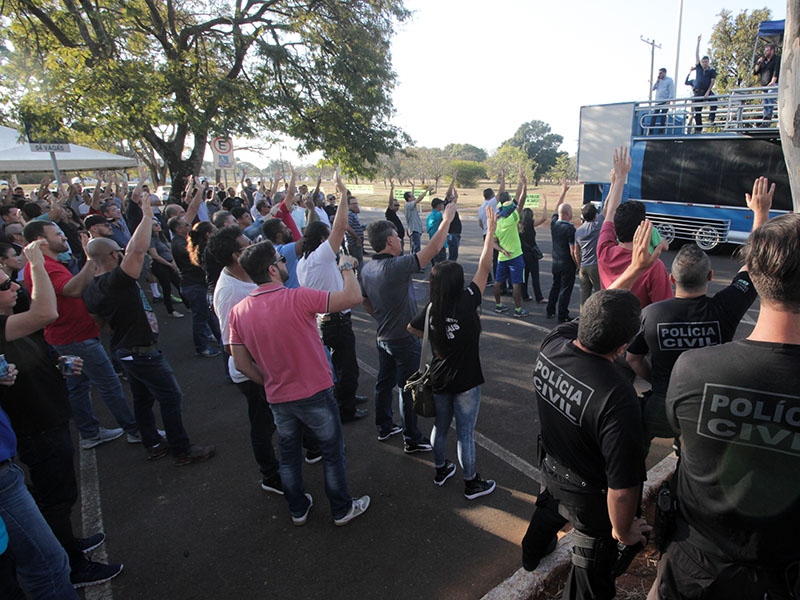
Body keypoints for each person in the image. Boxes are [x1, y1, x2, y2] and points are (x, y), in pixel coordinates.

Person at [649, 180, 799, 600]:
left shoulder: (693, 369)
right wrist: (761, 217)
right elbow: (745, 280)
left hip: (697, 573)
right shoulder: (723, 308)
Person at [0, 240, 123, 589]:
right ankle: (73, 565)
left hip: (48, 419)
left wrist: (57, 363)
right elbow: (47, 313)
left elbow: (35, 346)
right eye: (5, 285)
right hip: (35, 428)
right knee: (54, 498)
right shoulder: (5, 325)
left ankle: (69, 544)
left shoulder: (13, 322)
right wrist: (36, 263)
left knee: (61, 494)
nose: (14, 286)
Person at [228, 240, 370, 527]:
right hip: (315, 391)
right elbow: (352, 297)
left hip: (279, 397)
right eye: (280, 260)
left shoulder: (239, 311)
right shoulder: (298, 298)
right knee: (332, 452)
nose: (284, 263)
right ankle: (341, 508)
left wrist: (267, 381)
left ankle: (298, 508)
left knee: (289, 455)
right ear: (272, 269)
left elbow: (241, 363)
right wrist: (345, 265)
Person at [521, 289, 650, 598]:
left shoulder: (553, 344)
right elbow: (622, 489)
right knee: (591, 580)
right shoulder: (618, 397)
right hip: (589, 499)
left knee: (548, 512)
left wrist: (632, 269)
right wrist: (624, 531)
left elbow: (592, 316)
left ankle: (531, 554)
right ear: (622, 347)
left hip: (552, 471)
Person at [83, 181, 216, 466]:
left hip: (124, 349)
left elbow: (100, 319)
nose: (123, 253)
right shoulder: (116, 280)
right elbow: (138, 251)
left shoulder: (93, 286)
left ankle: (152, 442)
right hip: (141, 351)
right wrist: (145, 216)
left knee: (143, 399)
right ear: (113, 256)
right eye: (119, 250)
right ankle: (181, 449)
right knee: (170, 397)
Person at [21, 220, 141, 449]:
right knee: (109, 384)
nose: (65, 238)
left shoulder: (47, 264)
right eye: (58, 234)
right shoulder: (45, 266)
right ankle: (135, 430)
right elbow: (73, 289)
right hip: (75, 338)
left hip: (69, 336)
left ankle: (89, 433)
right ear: (41, 241)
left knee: (78, 387)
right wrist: (89, 259)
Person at [408, 205, 497, 500]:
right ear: (459, 282)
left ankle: (440, 468)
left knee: (441, 427)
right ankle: (472, 483)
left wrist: (435, 336)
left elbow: (412, 329)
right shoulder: (469, 299)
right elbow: (484, 266)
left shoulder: (433, 307)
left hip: (440, 379)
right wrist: (491, 231)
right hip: (467, 380)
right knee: (466, 434)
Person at [361, 198, 456, 450]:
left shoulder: (367, 267)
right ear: (389, 241)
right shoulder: (396, 266)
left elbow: (364, 301)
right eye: (397, 236)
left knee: (384, 382)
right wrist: (447, 219)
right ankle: (411, 438)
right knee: (408, 388)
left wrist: (380, 318)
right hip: (403, 340)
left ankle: (384, 426)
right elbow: (433, 249)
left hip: (384, 337)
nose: (401, 239)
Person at [208, 226, 283, 494]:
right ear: (236, 255)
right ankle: (271, 476)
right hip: (253, 373)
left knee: (278, 418)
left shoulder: (247, 274)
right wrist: (264, 378)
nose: (253, 244)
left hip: (269, 367)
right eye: (247, 243)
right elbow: (231, 346)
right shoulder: (228, 292)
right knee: (263, 425)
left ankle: (310, 447)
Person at [297, 173, 368, 423]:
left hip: (325, 320)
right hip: (335, 320)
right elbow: (339, 226)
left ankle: (346, 398)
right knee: (347, 368)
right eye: (327, 236)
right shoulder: (320, 256)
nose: (333, 239)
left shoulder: (306, 261)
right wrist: (343, 194)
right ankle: (346, 409)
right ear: (321, 239)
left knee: (340, 365)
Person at [598, 147, 673, 308]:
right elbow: (663, 310)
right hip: (637, 331)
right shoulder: (653, 266)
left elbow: (610, 212)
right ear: (643, 227)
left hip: (607, 326)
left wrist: (619, 178)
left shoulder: (604, 251)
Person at [170, 216, 220, 357]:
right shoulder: (187, 246)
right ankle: (202, 347)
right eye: (186, 224)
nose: (189, 226)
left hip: (196, 285)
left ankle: (219, 338)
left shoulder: (191, 244)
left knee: (209, 315)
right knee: (201, 317)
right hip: (194, 286)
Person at [493, 168, 530, 318]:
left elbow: (493, 243)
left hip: (502, 258)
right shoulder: (513, 218)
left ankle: (499, 305)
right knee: (516, 284)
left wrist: (501, 250)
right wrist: (524, 185)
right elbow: (521, 201)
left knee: (498, 282)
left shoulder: (497, 222)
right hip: (515, 256)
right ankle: (518, 309)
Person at [547, 179, 578, 322]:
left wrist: (563, 191)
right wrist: (578, 264)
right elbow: (573, 250)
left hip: (555, 262)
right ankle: (562, 315)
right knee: (565, 290)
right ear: (567, 213)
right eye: (571, 211)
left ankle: (550, 310)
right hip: (567, 264)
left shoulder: (554, 224)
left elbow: (556, 207)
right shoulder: (570, 228)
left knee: (555, 286)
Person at [147, 218, 183, 318]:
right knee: (166, 287)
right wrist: (169, 264)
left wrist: (173, 262)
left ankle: (188, 305)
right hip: (160, 266)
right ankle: (170, 311)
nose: (158, 225)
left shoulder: (161, 236)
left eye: (158, 223)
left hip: (170, 263)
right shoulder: (150, 240)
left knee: (179, 283)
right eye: (155, 225)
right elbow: (154, 255)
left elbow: (169, 249)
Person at [574, 202, 604, 309]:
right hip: (595, 266)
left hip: (584, 266)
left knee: (584, 298)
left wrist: (579, 266)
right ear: (595, 215)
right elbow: (608, 206)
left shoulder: (578, 231)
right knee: (601, 296)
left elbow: (576, 253)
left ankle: (583, 320)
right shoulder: (597, 224)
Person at [688, 35, 717, 134]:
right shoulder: (699, 68)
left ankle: (711, 119)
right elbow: (696, 55)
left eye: (706, 62)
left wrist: (708, 92)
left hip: (706, 90)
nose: (704, 63)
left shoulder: (711, 71)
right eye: (703, 62)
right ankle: (698, 128)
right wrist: (698, 42)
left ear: (708, 62)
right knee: (697, 111)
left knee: (714, 99)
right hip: (698, 92)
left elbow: (712, 81)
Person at [518, 205, 547, 303]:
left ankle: (524, 295)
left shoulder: (518, 225)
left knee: (524, 276)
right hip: (531, 254)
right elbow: (544, 218)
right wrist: (545, 205)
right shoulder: (531, 224)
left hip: (522, 253)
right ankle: (539, 297)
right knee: (535, 277)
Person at [753, 42, 780, 124]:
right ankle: (765, 122)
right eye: (765, 50)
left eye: (767, 50)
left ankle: (769, 115)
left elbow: (776, 70)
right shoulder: (763, 60)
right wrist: (758, 63)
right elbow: (755, 72)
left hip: (773, 84)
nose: (766, 52)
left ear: (772, 51)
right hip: (764, 85)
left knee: (770, 94)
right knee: (765, 103)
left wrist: (773, 81)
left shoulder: (776, 59)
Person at [477, 187, 498, 284]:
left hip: (485, 234)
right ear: (492, 195)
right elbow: (501, 191)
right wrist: (502, 178)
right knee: (496, 257)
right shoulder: (491, 204)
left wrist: (486, 229)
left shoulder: (480, 208)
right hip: (493, 233)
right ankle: (498, 279)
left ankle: (488, 278)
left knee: (487, 256)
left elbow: (480, 223)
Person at [403, 186, 430, 256]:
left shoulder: (410, 205)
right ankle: (415, 265)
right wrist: (427, 191)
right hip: (414, 230)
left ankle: (412, 264)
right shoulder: (408, 205)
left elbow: (417, 199)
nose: (414, 197)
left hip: (416, 230)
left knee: (414, 249)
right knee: (416, 250)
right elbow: (419, 199)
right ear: (409, 198)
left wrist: (412, 186)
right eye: (412, 196)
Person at [651, 68, 674, 134]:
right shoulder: (659, 81)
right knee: (654, 116)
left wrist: (669, 100)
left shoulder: (669, 80)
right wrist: (657, 81)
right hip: (657, 101)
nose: (659, 74)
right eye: (659, 73)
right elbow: (653, 88)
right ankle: (651, 131)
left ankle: (660, 132)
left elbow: (671, 90)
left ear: (664, 73)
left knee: (663, 116)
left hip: (665, 101)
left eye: (661, 73)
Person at [344, 195, 364, 271]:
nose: (356, 205)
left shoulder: (353, 214)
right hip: (354, 243)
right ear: (348, 205)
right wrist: (357, 237)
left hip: (357, 243)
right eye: (353, 204)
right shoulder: (349, 214)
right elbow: (347, 226)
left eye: (356, 203)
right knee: (358, 264)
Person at [426, 198, 447, 265]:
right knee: (441, 266)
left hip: (433, 243)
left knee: (435, 266)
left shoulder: (429, 216)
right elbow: (448, 217)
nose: (443, 206)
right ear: (438, 205)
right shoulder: (439, 215)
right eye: (442, 204)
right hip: (439, 244)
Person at [385, 183, 405, 251]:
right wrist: (391, 189)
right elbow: (390, 201)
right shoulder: (389, 213)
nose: (397, 207)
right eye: (395, 205)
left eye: (398, 205)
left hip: (399, 239)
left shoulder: (394, 214)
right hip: (395, 240)